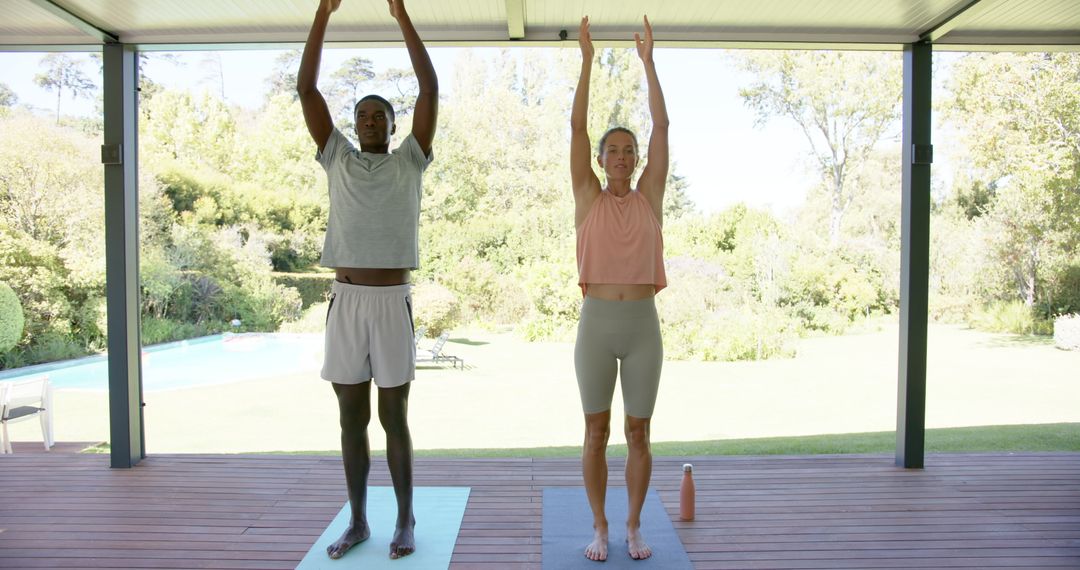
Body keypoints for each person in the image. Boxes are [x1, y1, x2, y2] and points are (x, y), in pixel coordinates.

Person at [297, 0, 437, 560]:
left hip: (391, 302)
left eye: (379, 115)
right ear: (353, 127)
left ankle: (405, 520)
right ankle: (357, 521)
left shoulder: (411, 161)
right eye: (362, 116)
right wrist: (323, 13)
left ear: (394, 125)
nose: (369, 122)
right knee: (349, 419)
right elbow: (306, 90)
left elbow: (429, 91)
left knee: (393, 418)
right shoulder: (337, 158)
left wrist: (402, 16)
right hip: (347, 302)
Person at [570, 15, 669, 562]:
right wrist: (586, 62)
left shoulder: (650, 195)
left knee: (638, 433)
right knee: (594, 430)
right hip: (597, 324)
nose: (625, 156)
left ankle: (632, 526)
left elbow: (663, 128)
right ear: (601, 160)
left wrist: (648, 63)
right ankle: (600, 527)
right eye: (615, 150)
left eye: (630, 150)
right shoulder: (588, 196)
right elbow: (577, 128)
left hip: (642, 327)